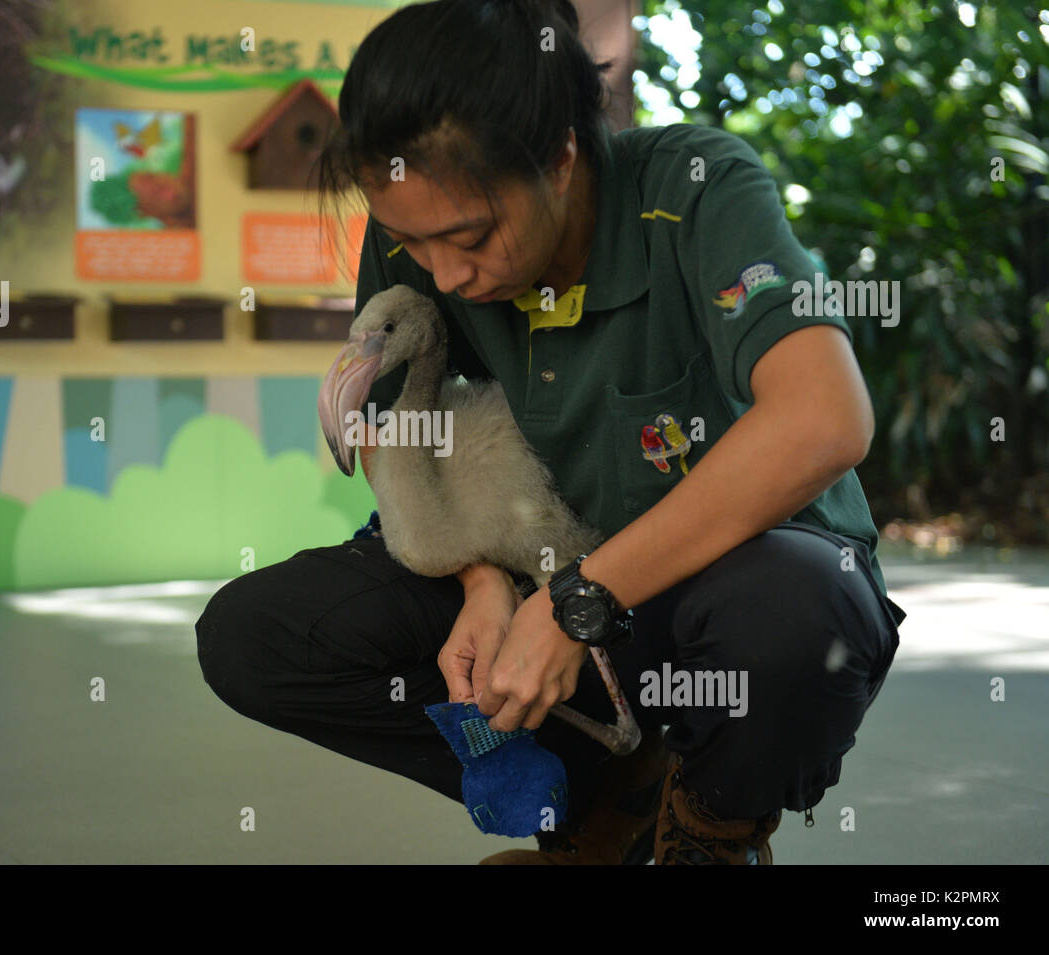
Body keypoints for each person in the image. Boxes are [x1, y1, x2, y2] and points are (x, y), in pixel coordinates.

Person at [197, 0, 906, 864]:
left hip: (715, 596)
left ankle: (710, 830)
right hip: (541, 583)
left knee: (800, 611)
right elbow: (398, 433)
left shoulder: (696, 190)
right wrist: (481, 582)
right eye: (412, 244)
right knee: (257, 634)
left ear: (562, 157)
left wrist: (580, 602)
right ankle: (597, 806)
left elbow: (825, 421)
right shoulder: (419, 239)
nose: (448, 274)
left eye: (470, 236)